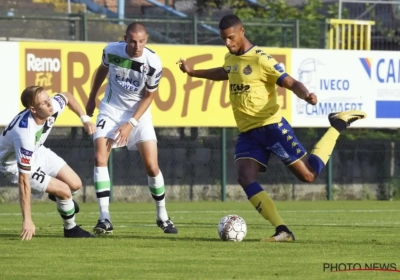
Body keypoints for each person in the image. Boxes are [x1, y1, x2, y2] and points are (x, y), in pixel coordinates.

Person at [177, 14, 367, 242]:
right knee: (245, 177)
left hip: (271, 128)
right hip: (248, 133)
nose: (227, 43)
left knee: (308, 176)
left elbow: (290, 82)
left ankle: (337, 124)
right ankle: (282, 230)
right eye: (223, 39)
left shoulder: (261, 60)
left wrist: (306, 95)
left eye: (231, 38)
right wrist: (193, 72)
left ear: (242, 32)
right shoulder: (231, 57)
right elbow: (224, 72)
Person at [85, 22, 178, 235]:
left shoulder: (153, 63)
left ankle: (162, 216)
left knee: (152, 166)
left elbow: (149, 96)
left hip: (139, 115)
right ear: (125, 38)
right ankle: (104, 218)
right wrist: (92, 98)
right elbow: (102, 70)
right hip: (110, 110)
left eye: (142, 41)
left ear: (146, 40)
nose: (137, 46)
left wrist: (131, 124)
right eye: (133, 41)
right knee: (100, 158)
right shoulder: (111, 51)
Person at [0, 86, 97, 240]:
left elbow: (67, 96)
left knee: (75, 184)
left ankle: (60, 197)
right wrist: (27, 220)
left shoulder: (50, 106)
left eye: (49, 99)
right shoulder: (25, 133)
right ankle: (71, 229)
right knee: (65, 190)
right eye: (44, 103)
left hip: (38, 150)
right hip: (14, 165)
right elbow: (23, 180)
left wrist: (85, 119)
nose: (50, 104)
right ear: (33, 109)